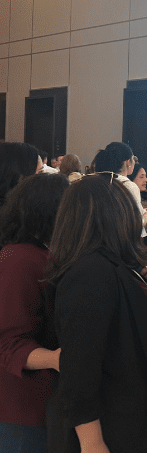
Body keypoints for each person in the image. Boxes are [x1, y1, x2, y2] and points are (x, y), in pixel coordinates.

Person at [45, 174, 147, 452]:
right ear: (112, 215)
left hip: (124, 412)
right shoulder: (89, 272)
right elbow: (79, 366)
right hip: (108, 424)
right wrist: (92, 441)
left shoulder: (108, 263)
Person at [0, 173, 69, 452]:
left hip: (39, 403)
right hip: (23, 408)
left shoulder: (38, 254)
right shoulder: (20, 259)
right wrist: (57, 358)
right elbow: (8, 341)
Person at [93, 141, 147, 235]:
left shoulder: (95, 180)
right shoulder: (128, 186)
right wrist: (146, 218)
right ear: (128, 162)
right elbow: (132, 224)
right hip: (117, 238)